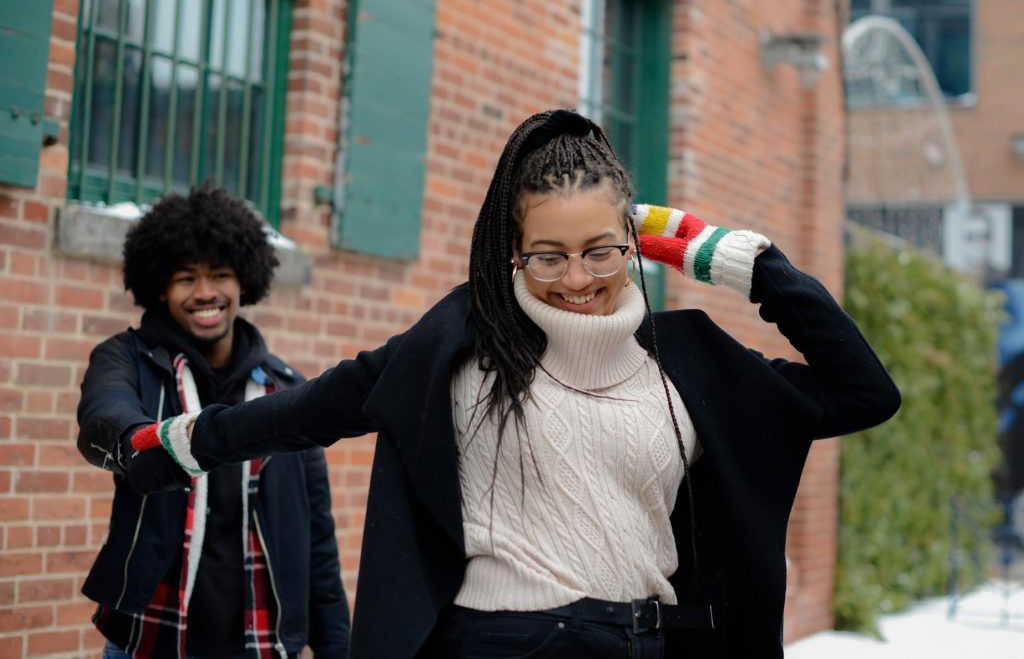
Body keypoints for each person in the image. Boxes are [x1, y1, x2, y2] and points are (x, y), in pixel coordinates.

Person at [131, 111, 900, 658]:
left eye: (601, 249)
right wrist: (175, 443)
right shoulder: (458, 347)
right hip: (496, 642)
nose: (576, 279)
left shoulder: (692, 365)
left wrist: (729, 256)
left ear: (637, 241)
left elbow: (865, 391)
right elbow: (309, 409)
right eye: (549, 254)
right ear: (514, 252)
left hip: (645, 639)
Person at [76, 187, 350, 659]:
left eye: (219, 275)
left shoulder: (286, 390)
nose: (205, 293)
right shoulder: (129, 359)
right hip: (151, 637)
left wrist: (336, 648)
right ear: (161, 287)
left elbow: (317, 541)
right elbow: (105, 410)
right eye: (187, 278)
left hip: (260, 641)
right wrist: (139, 444)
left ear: (244, 280)